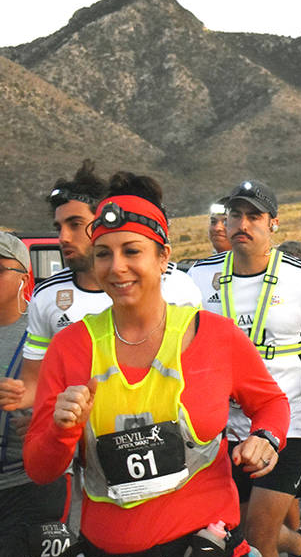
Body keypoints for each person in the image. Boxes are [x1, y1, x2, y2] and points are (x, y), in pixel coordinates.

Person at [23, 174, 290, 557]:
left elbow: (270, 403)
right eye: (104, 253)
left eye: (132, 252)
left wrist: (266, 438)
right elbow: (41, 467)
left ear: (163, 257)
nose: (116, 267)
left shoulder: (214, 335)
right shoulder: (69, 348)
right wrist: (62, 427)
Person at [187, 180, 301, 557]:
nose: (242, 224)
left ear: (273, 224)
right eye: (234, 215)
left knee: (257, 531)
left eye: (253, 216)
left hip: (284, 420)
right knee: (233, 533)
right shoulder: (199, 278)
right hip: (219, 425)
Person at [23, 163, 202, 405]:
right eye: (59, 227)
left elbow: (203, 377)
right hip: (85, 437)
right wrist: (42, 419)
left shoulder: (180, 287)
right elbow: (35, 387)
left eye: (75, 224)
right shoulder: (47, 296)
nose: (63, 237)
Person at [0, 233, 83, 557]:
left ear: (22, 276)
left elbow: (74, 398)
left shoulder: (47, 327)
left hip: (32, 480)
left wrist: (38, 418)